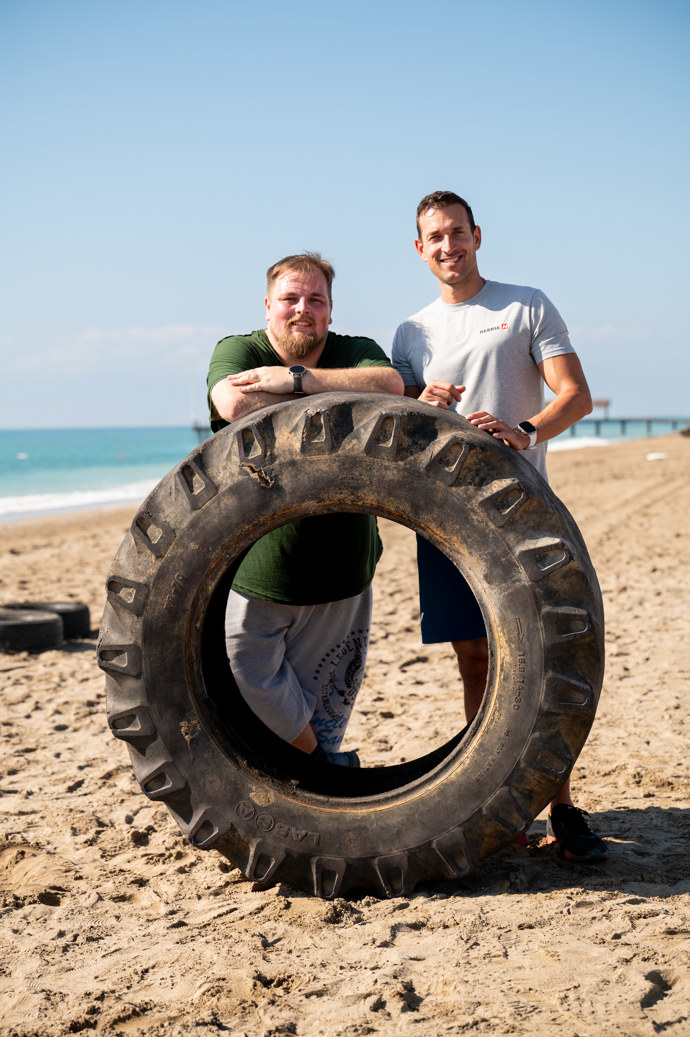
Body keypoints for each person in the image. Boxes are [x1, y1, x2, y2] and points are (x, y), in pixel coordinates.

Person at [391, 191, 607, 861]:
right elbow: (399, 430)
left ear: (477, 235)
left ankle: (563, 805)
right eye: (436, 236)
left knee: (538, 660)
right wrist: (419, 401)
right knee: (476, 661)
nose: (449, 244)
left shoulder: (526, 304)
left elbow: (576, 394)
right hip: (446, 520)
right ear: (419, 249)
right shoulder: (410, 332)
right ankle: (501, 804)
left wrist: (524, 431)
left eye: (458, 231)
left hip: (523, 515)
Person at [207, 252, 403, 766]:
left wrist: (292, 381)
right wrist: (343, 410)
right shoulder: (239, 348)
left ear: (331, 309)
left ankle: (322, 781)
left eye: (315, 299)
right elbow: (232, 405)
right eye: (290, 298)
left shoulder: (353, 350)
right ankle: (329, 774)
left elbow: (390, 387)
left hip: (344, 576)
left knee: (324, 712)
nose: (302, 309)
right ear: (268, 305)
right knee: (246, 673)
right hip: (259, 572)